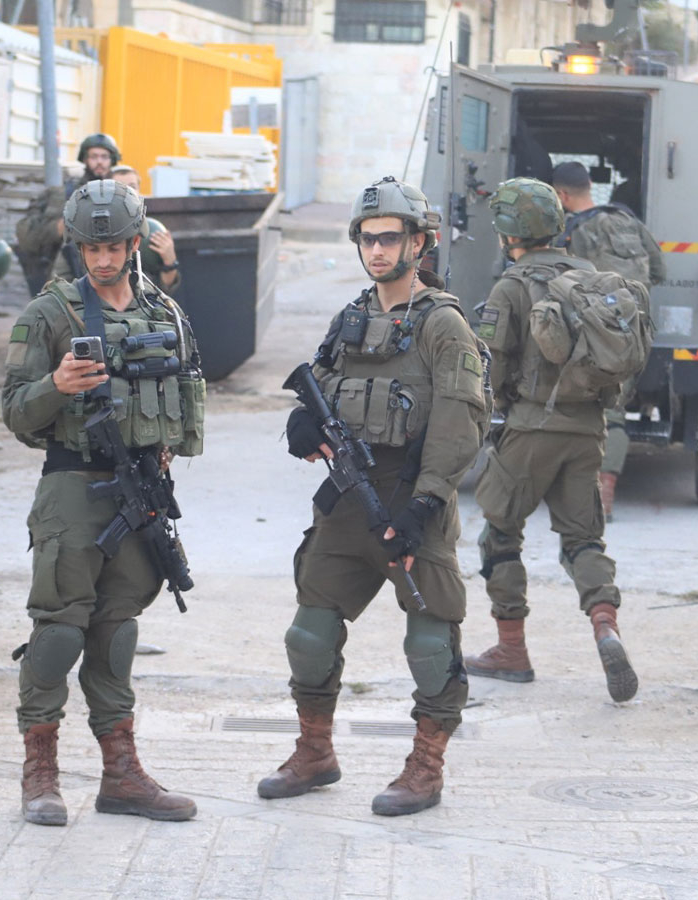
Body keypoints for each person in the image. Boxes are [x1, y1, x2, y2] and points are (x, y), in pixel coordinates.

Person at [260, 176, 487, 817]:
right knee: (309, 633)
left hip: (414, 500)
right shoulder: (351, 317)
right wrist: (301, 426)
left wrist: (426, 503)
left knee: (430, 643)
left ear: (421, 241)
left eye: (390, 238)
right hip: (347, 500)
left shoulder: (443, 325)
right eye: (367, 238)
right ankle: (314, 752)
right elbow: (322, 382)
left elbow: (461, 420)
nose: (377, 250)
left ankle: (426, 766)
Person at [2, 179, 206, 827]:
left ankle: (122, 775)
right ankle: (40, 774)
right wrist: (56, 385)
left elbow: (187, 390)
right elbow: (13, 411)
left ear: (136, 241)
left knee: (116, 633)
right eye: (90, 247)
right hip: (72, 487)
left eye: (113, 245)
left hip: (140, 493)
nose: (101, 259)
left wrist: (166, 446)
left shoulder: (164, 310)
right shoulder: (49, 314)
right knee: (61, 630)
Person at [462, 177, 639, 703]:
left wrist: (481, 421)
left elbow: (491, 369)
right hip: (588, 429)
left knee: (500, 535)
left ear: (507, 235)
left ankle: (511, 649)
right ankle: (606, 626)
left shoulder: (511, 286)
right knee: (584, 540)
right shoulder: (592, 278)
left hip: (531, 431)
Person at [549, 161, 666, 521]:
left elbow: (555, 283)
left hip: (590, 334)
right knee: (615, 411)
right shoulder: (629, 220)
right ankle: (606, 492)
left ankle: (578, 493)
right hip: (634, 331)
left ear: (562, 195)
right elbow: (659, 271)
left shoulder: (571, 231)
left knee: (581, 409)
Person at [16, 133, 121, 295]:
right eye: (94, 156)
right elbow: (26, 235)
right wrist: (58, 228)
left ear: (112, 160)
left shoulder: (121, 195)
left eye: (104, 156)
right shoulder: (63, 195)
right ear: (85, 159)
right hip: (70, 277)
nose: (99, 161)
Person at [50, 164, 181, 294]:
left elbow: (163, 290)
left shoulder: (149, 233)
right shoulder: (83, 233)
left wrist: (169, 262)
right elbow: (57, 287)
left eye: (132, 187)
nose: (127, 192)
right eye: (120, 187)